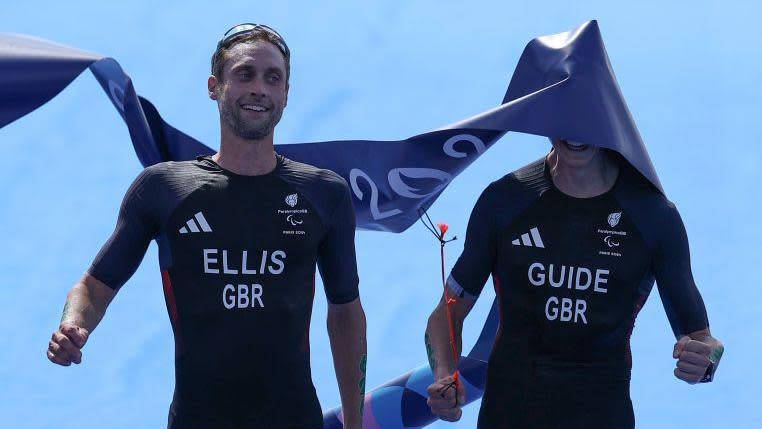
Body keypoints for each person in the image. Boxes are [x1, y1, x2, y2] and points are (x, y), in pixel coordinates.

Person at [46, 24, 367, 429]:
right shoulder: (163, 188)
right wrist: (72, 325)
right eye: (245, 74)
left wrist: (355, 422)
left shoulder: (325, 194)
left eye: (274, 78)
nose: (260, 89)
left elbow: (346, 314)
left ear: (286, 94)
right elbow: (93, 287)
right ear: (214, 86)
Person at [424, 138, 724, 428]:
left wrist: (705, 362)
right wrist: (444, 376)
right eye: (566, 118)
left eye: (588, 121)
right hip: (507, 416)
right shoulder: (504, 201)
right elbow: (446, 314)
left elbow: (703, 340)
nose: (576, 133)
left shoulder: (653, 216)